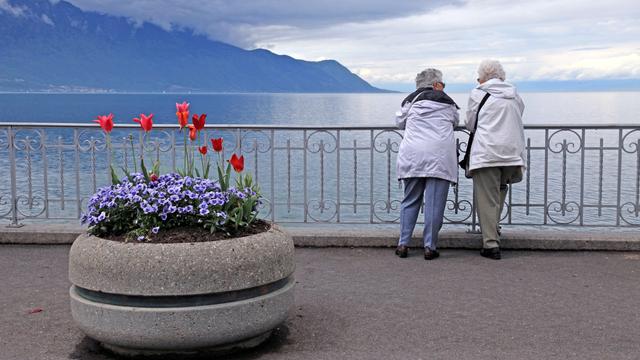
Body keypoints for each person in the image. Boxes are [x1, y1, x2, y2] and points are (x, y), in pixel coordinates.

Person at [395, 68, 459, 260]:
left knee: (410, 200)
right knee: (434, 204)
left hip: (413, 155)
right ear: (436, 84)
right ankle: (429, 247)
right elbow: (455, 122)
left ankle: (403, 243)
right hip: (439, 157)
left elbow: (399, 121)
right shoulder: (448, 104)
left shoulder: (411, 101)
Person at [465, 60, 525, 260]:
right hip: (511, 151)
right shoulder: (514, 93)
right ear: (501, 76)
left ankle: (490, 244)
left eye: (478, 76)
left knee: (487, 198)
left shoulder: (478, 93)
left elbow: (471, 124)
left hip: (487, 152)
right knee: (500, 191)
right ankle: (494, 230)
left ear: (483, 77)